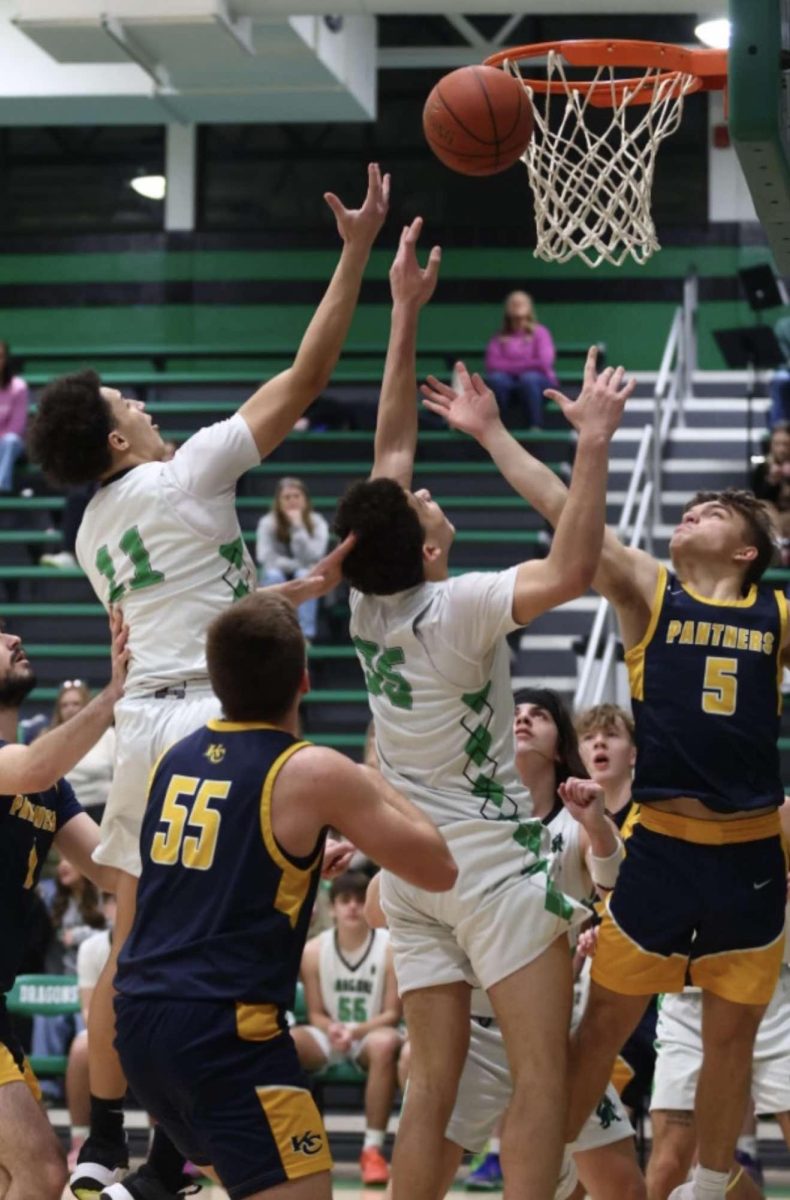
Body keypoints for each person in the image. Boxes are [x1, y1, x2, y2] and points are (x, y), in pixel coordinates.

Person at [27, 163, 390, 1200]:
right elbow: (305, 380)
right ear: (116, 439)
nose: (140, 404)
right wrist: (355, 248)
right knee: (239, 939)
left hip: (143, 726)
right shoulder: (186, 474)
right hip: (216, 723)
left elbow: (185, 598)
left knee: (133, 944)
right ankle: (184, 1143)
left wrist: (281, 587)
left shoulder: (95, 528)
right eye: (126, 402)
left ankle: (117, 1152)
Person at [422, 359, 788, 1200]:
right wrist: (492, 432)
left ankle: (706, 1187)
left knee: (733, 1042)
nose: (690, 512)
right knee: (597, 1037)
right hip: (661, 853)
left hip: (750, 858)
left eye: (714, 510)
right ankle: (547, 1184)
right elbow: (562, 504)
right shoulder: (649, 590)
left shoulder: (777, 617)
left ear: (747, 548)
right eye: (687, 507)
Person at [334, 217, 634, 1200]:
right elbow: (575, 565)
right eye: (421, 504)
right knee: (543, 1077)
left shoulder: (365, 604)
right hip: (489, 868)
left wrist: (402, 312)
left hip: (411, 875)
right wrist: (589, 446)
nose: (422, 494)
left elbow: (388, 441)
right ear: (423, 549)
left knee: (431, 1094)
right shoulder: (455, 606)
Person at [111, 589, 457, 1200]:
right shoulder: (314, 771)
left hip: (140, 1021)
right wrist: (373, 778)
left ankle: (142, 1189)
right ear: (304, 680)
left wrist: (295, 866)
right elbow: (438, 866)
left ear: (218, 681)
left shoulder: (177, 758)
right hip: (224, 1033)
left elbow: (204, 872)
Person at [0, 616, 126, 1200]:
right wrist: (114, 693)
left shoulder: (47, 785)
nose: (12, 639)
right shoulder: (30, 768)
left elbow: (113, 869)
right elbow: (28, 767)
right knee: (43, 1173)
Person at [293, 870, 402, 1186]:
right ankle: (302, 1145)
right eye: (345, 900)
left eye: (359, 900)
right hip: (331, 1034)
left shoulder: (390, 948)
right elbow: (315, 1014)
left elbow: (392, 1014)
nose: (353, 907)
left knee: (384, 1043)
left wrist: (353, 1032)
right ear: (332, 908)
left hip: (370, 1035)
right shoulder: (312, 951)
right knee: (287, 1042)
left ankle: (372, 1150)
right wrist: (334, 1030)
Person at [575, 704, 656, 1117]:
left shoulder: (657, 816)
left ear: (635, 753)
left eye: (611, 735)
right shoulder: (567, 823)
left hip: (649, 971)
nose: (599, 743)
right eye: (589, 738)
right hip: (582, 968)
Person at [256, 476, 330, 642]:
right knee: (274, 574)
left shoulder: (318, 522)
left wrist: (298, 527)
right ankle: (273, 627)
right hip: (276, 574)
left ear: (305, 500)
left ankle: (304, 635)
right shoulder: (267, 522)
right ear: (278, 501)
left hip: (305, 572)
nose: (292, 501)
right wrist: (296, 565)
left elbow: (315, 556)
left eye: (296, 496)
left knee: (305, 575)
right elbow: (265, 557)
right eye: (287, 497)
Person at [484, 291, 558, 428]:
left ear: (529, 307)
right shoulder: (499, 336)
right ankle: (499, 427)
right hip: (508, 385)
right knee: (497, 380)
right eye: (513, 302)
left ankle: (535, 426)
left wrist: (510, 367)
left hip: (539, 384)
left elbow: (544, 362)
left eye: (521, 302)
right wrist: (527, 364)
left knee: (528, 379)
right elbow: (492, 364)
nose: (517, 305)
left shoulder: (541, 333)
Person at [49, 680, 116, 825]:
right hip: (65, 813)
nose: (70, 709)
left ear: (87, 706)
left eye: (75, 704)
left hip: (104, 809)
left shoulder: (108, 735)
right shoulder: (48, 739)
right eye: (65, 705)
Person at [0, 340, 28, 492]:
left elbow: (17, 427)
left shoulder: (18, 387)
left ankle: (1, 486)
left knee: (10, 441)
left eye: (0, 357)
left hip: (10, 445)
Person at [769, 315, 790, 428]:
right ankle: (777, 430)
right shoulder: (783, 326)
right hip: (788, 370)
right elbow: (783, 359)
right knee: (780, 379)